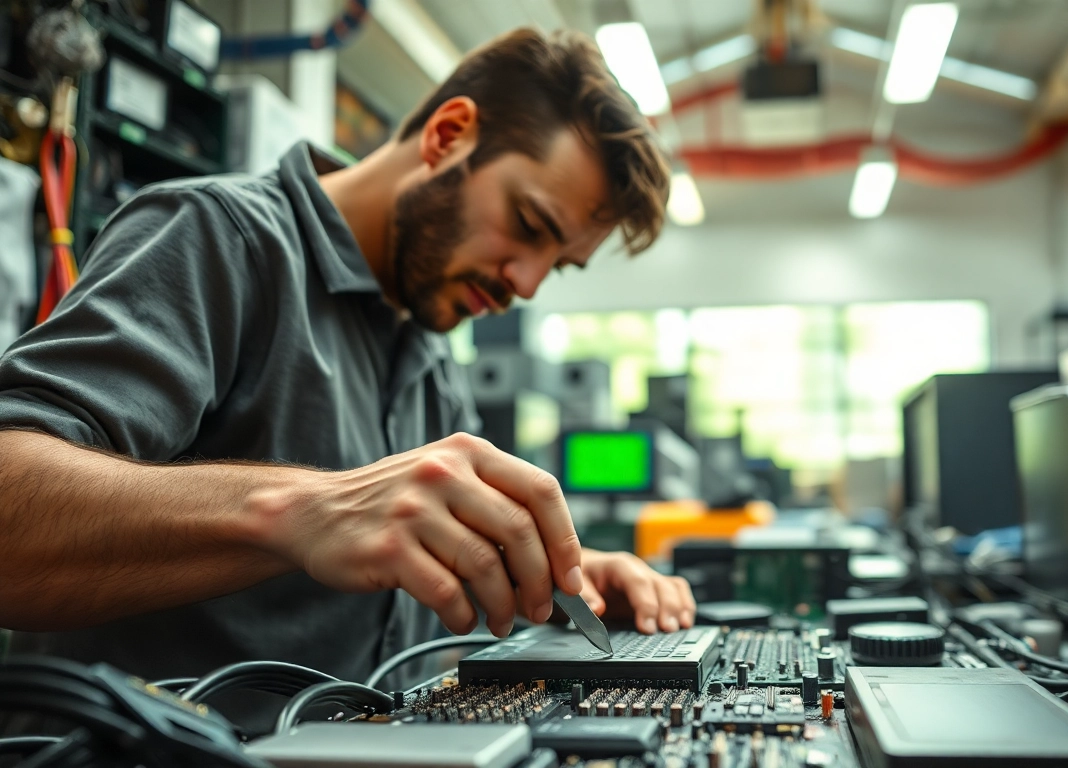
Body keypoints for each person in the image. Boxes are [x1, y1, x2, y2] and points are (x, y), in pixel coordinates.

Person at [0, 27, 694, 696]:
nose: (528, 282)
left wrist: (557, 572)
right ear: (448, 136)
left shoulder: (425, 343)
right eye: (529, 225)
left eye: (559, 265)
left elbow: (434, 552)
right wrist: (303, 512)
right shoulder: (222, 240)